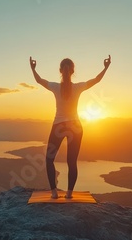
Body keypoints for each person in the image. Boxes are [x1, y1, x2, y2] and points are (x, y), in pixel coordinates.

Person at [29, 55, 111, 198]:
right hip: (75, 127)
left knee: (49, 160)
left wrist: (33, 68)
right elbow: (96, 80)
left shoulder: (55, 87)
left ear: (60, 70)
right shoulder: (78, 87)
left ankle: (54, 193)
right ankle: (69, 194)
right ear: (73, 71)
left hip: (58, 126)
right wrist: (106, 67)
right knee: (71, 162)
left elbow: (39, 80)